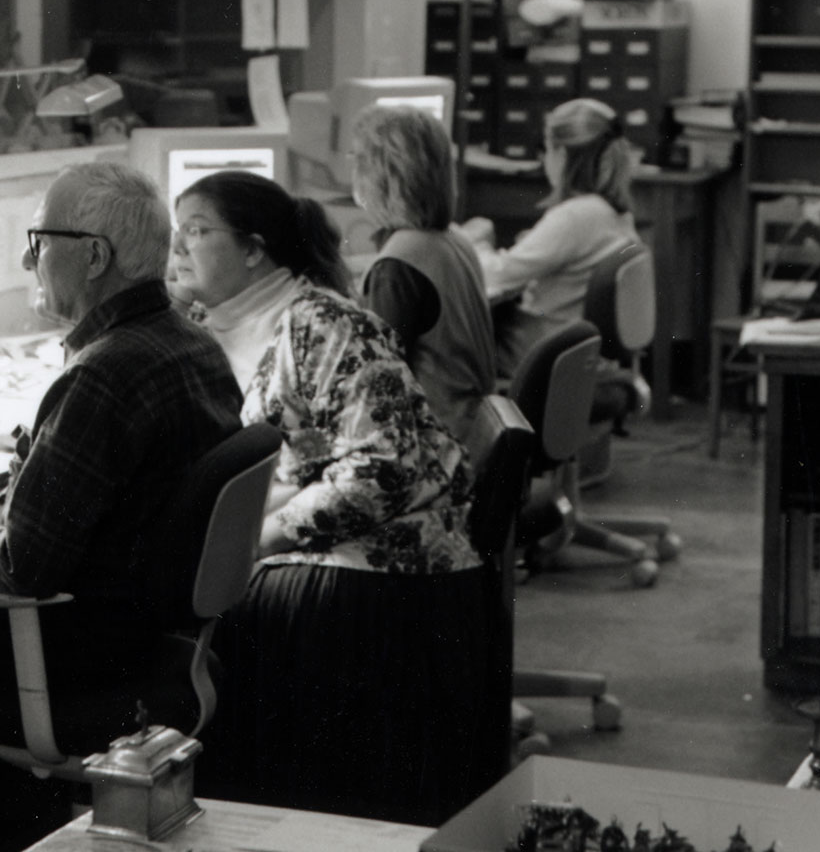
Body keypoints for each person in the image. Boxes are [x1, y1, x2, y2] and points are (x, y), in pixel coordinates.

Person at [167, 169, 495, 825]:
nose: (177, 250)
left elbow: (382, 470)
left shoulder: (319, 324)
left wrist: (258, 541)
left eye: (197, 233)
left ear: (255, 249)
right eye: (174, 234)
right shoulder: (226, 323)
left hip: (376, 574)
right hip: (335, 558)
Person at [0, 161, 243, 704]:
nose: (26, 259)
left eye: (38, 241)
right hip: (147, 631)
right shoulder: (192, 342)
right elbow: (136, 468)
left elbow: (21, 567)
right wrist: (34, 440)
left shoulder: (101, 374)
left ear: (94, 256)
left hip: (84, 647)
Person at [347, 104, 496, 449]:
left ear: (382, 176)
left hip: (435, 448)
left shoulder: (398, 266)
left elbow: (377, 387)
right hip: (472, 432)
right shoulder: (453, 239)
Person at [464, 97, 641, 376]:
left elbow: (494, 275)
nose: (544, 159)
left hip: (540, 355)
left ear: (562, 154)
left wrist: (474, 241)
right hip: (581, 355)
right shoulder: (613, 212)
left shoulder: (574, 216)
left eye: (545, 149)